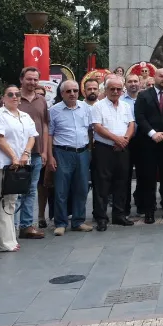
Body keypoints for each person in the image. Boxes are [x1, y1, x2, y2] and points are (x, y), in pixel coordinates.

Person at [0, 86, 36, 254]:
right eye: (10, 94)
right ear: (4, 97)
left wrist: (25, 154)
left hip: (21, 162)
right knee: (4, 200)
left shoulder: (25, 115)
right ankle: (4, 242)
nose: (14, 97)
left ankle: (11, 238)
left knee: (12, 200)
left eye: (17, 94)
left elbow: (32, 136)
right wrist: (14, 157)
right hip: (3, 164)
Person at [132, 67, 163, 223]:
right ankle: (149, 210)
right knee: (148, 178)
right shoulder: (144, 96)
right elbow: (140, 117)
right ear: (154, 77)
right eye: (161, 76)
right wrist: (153, 133)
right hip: (148, 143)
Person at [47, 80, 94, 235]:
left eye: (75, 90)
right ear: (62, 94)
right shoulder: (54, 110)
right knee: (61, 189)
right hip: (62, 153)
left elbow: (90, 130)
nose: (72, 94)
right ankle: (61, 222)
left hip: (82, 152)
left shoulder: (86, 108)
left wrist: (89, 150)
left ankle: (78, 221)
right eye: (68, 91)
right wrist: (50, 156)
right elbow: (49, 134)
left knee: (81, 188)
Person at [90, 76, 136, 231]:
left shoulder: (125, 106)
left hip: (123, 148)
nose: (115, 92)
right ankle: (101, 217)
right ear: (106, 89)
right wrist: (117, 139)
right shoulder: (98, 106)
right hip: (104, 149)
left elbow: (131, 124)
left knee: (122, 182)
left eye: (118, 89)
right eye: (112, 89)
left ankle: (119, 215)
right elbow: (97, 127)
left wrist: (125, 140)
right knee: (102, 184)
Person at [16, 67, 49, 239]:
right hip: (15, 154)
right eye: (29, 79)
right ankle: (11, 227)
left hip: (36, 153)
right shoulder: (12, 97)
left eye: (36, 79)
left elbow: (44, 125)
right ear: (21, 79)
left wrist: (44, 150)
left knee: (30, 191)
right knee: (14, 192)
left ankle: (26, 226)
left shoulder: (41, 100)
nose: (33, 82)